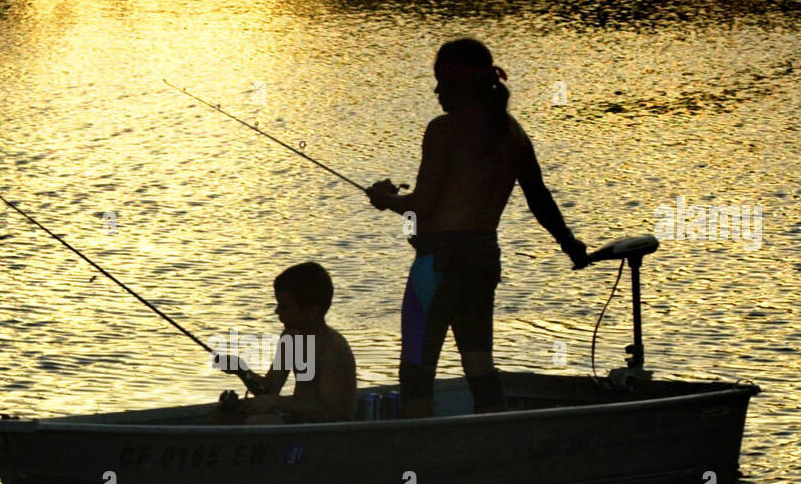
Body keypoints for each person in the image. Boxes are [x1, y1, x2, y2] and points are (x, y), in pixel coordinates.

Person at [367, 38, 589, 417]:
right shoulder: (512, 133)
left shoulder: (443, 130)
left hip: (437, 265)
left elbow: (422, 205)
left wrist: (385, 198)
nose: (436, 90)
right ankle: (495, 440)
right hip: (482, 259)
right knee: (479, 364)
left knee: (417, 367)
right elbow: (539, 199)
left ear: (464, 85)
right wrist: (570, 245)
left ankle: (415, 458)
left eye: (443, 82)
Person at [216, 262, 357, 423]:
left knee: (257, 423)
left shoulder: (332, 349)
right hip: (299, 420)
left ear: (311, 312)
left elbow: (329, 411)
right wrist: (242, 370)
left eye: (284, 307)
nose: (276, 312)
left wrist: (276, 402)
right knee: (219, 415)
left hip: (328, 431)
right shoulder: (291, 338)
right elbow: (270, 388)